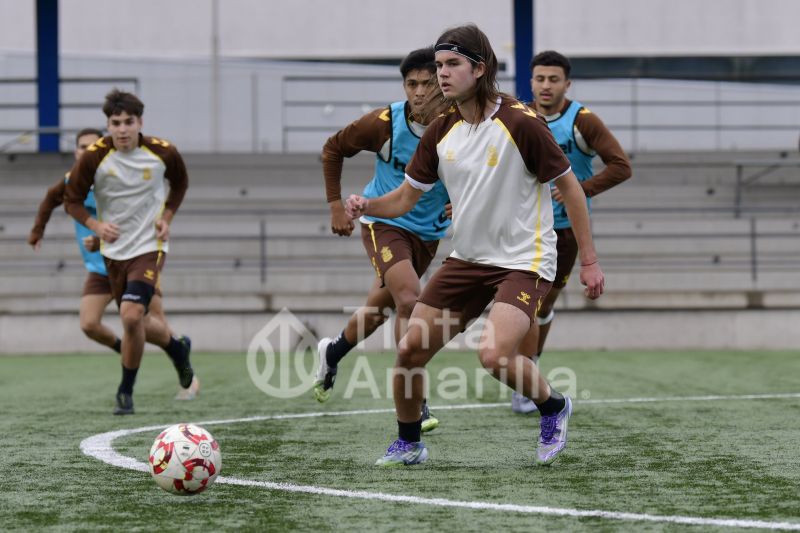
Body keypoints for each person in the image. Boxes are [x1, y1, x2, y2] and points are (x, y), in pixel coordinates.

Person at [346, 24, 604, 467]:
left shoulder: (521, 122)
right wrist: (366, 203)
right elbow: (407, 197)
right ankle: (409, 442)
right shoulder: (440, 129)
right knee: (410, 349)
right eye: (438, 66)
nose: (441, 75)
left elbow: (571, 189)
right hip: (467, 260)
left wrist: (590, 262)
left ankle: (553, 407)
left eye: (451, 65)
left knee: (494, 354)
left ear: (479, 68)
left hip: (525, 261)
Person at [315, 47, 451, 433]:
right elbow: (333, 148)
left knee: (380, 310)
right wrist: (335, 207)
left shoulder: (459, 124)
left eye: (428, 83)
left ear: (442, 85)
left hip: (428, 233)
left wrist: (459, 200)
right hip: (382, 222)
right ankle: (415, 402)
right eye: (412, 84)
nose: (420, 92)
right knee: (410, 298)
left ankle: (333, 350)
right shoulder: (385, 123)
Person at [28, 130, 193, 396]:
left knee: (151, 320)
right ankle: (128, 348)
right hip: (100, 268)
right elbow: (52, 197)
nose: (86, 151)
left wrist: (98, 236)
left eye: (92, 146)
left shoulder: (117, 175)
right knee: (90, 324)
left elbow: (133, 217)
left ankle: (183, 367)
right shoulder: (76, 180)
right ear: (76, 152)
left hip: (135, 260)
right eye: (82, 147)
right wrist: (38, 231)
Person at [511, 50, 632, 414]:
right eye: (539, 79)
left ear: (567, 83)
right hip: (523, 227)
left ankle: (528, 368)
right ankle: (524, 380)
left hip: (564, 232)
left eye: (553, 79)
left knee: (543, 305)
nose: (546, 86)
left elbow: (621, 166)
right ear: (530, 82)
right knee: (526, 303)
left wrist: (579, 189)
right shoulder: (519, 116)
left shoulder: (582, 121)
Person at [64, 90, 196, 415]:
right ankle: (176, 349)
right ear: (108, 124)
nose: (122, 129)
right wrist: (96, 226)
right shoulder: (95, 157)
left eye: (128, 122)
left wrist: (166, 218)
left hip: (150, 247)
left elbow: (180, 184)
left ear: (140, 122)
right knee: (135, 321)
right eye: (115, 123)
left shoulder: (163, 152)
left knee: (131, 315)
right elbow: (70, 199)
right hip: (113, 252)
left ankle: (125, 391)